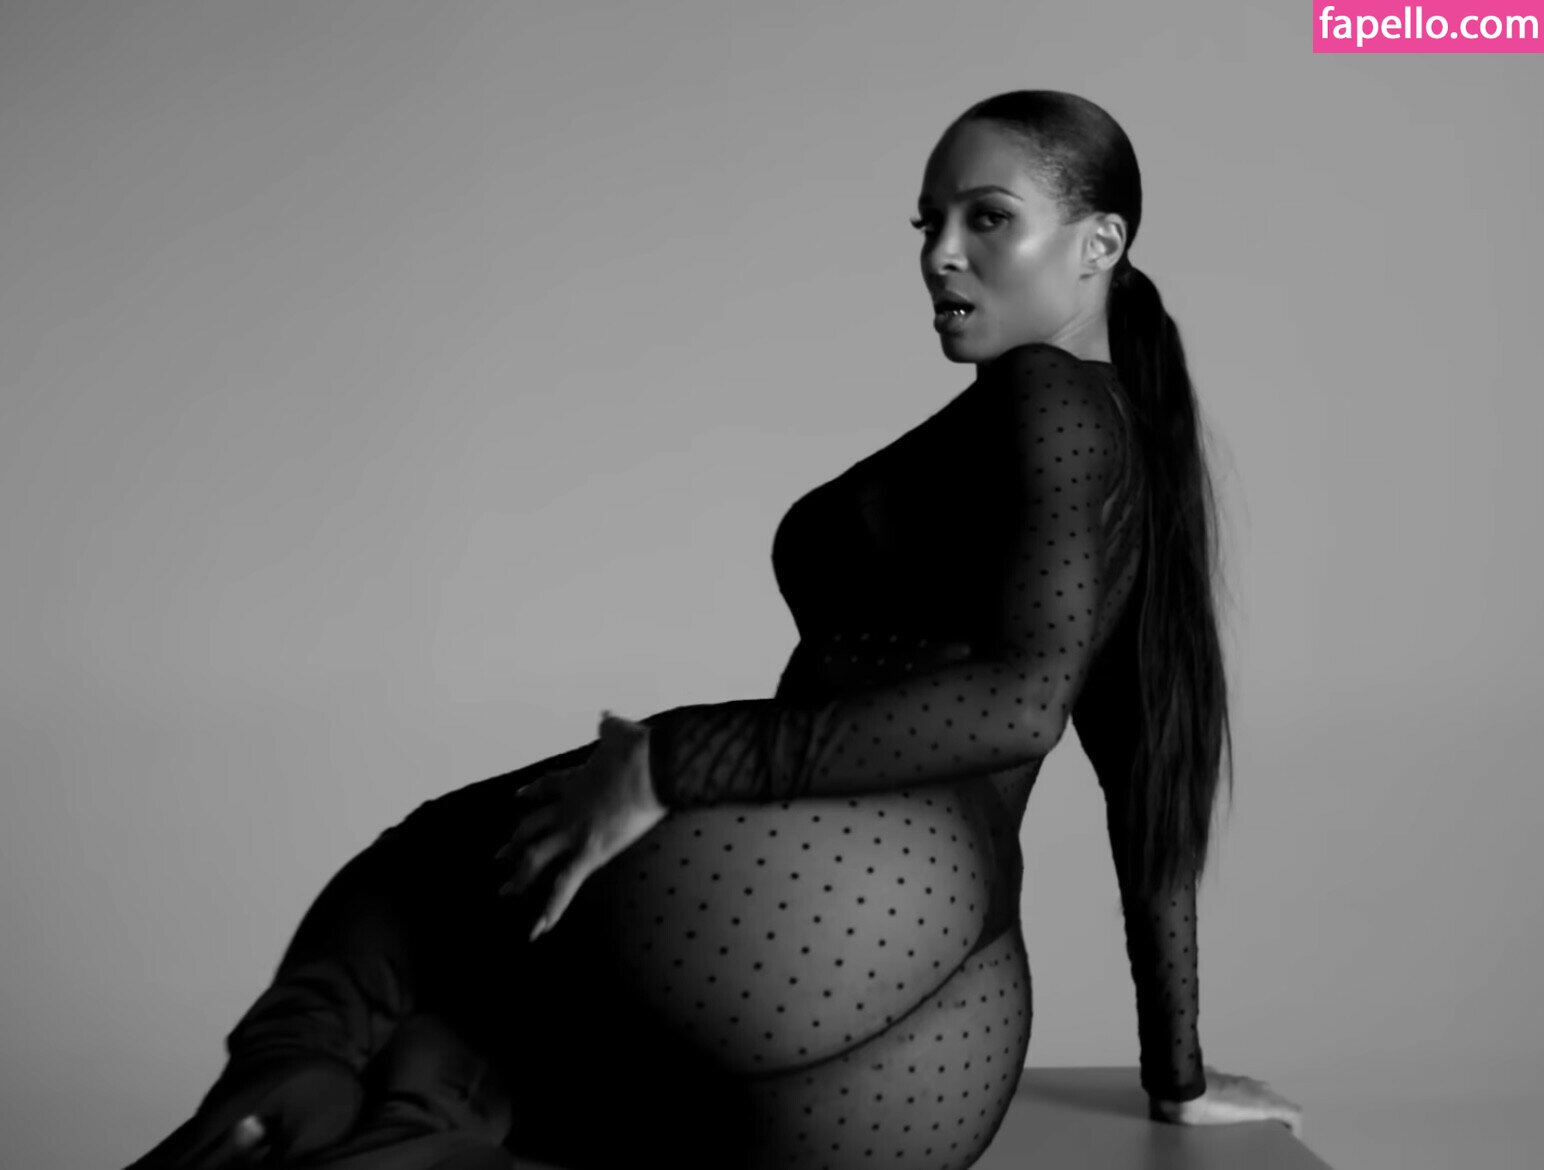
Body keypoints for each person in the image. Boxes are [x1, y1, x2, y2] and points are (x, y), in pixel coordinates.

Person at [124, 90, 1304, 1170]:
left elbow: (1019, 703)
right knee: (486, 1067)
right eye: (928, 222)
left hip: (823, 884)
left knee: (415, 877)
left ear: (1098, 244)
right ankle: (377, 1108)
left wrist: (670, 759)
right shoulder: (1130, 446)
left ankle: (281, 1095)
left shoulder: (1047, 399)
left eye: (986, 218)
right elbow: (1144, 777)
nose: (939, 252)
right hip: (942, 1057)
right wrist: (1176, 1074)